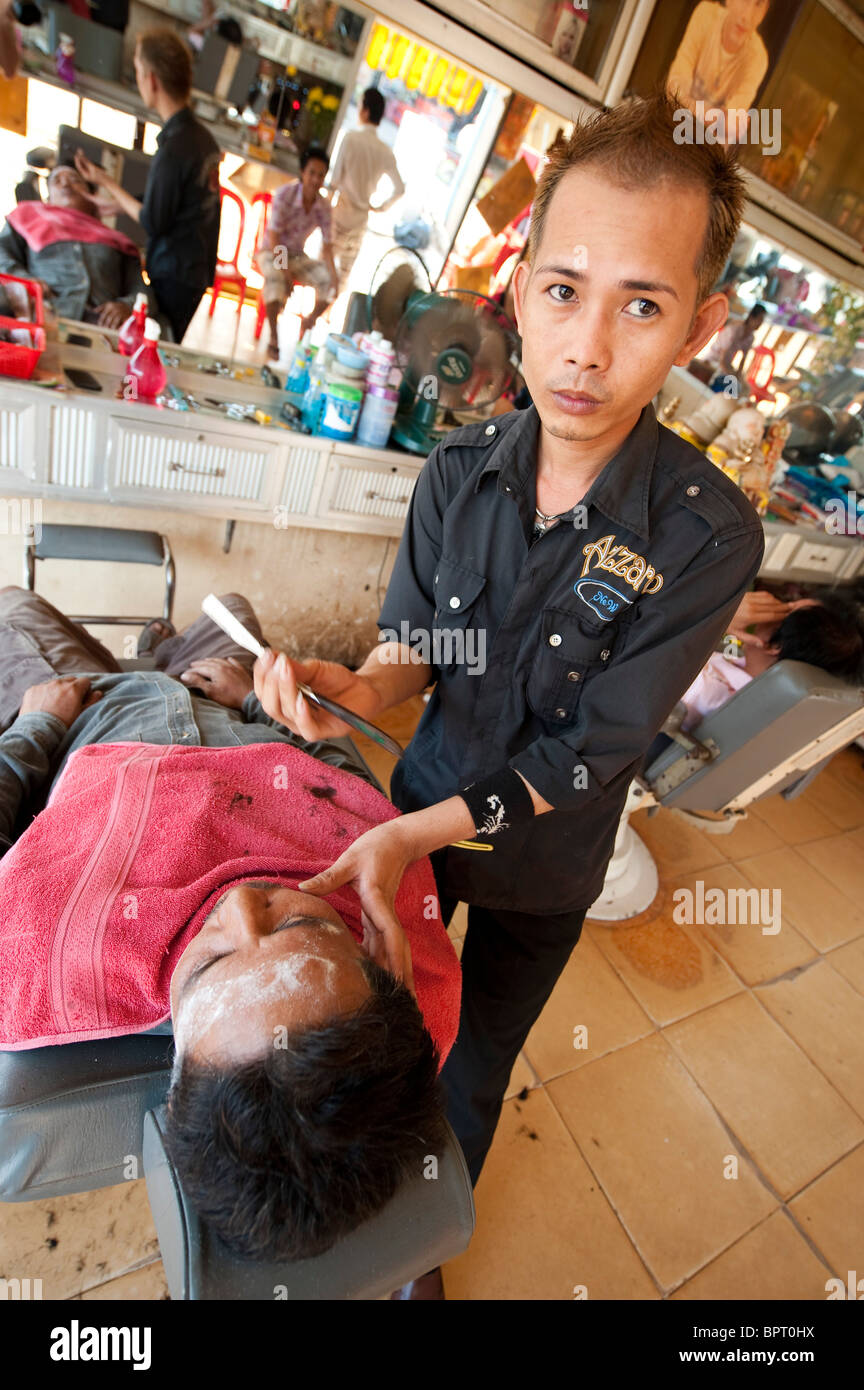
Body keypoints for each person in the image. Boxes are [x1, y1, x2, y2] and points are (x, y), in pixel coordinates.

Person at [248, 90, 767, 1298]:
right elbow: (415, 650)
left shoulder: (707, 537)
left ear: (699, 325)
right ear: (520, 286)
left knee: (476, 1065)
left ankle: (420, 1253)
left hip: (541, 866)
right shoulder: (454, 475)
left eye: (642, 303)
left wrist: (405, 828)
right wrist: (352, 689)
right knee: (389, 1035)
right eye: (565, 290)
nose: (588, 346)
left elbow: (596, 748)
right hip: (423, 815)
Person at [0, 586, 459, 1263]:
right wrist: (253, 702)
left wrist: (35, 726)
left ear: (174, 1059)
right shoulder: (388, 899)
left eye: (212, 964)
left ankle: (148, 652)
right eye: (301, 926)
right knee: (233, 604)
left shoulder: (30, 959)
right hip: (230, 707)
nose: (241, 905)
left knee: (15, 606)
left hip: (91, 713)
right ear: (378, 958)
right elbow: (342, 786)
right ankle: (164, 644)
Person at [73, 28, 221, 343]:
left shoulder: (175, 147)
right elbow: (177, 200)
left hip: (175, 271)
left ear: (151, 79)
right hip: (194, 269)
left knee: (156, 344)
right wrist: (117, 202)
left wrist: (106, 181)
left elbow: (155, 220)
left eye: (138, 71)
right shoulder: (200, 138)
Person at [676, 590, 864, 730]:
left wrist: (719, 616)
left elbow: (656, 664)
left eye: (785, 609)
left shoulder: (712, 693)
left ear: (775, 645)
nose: (774, 605)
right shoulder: (738, 665)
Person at [0, 164, 158, 330]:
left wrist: (127, 306)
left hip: (103, 332)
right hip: (42, 319)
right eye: (56, 181)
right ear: (48, 197)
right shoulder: (27, 218)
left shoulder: (119, 241)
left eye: (75, 180)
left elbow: (145, 294)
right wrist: (24, 281)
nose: (66, 185)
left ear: (92, 196)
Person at [257, 144, 338, 358]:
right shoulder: (285, 194)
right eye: (311, 173)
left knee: (328, 280)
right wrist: (285, 271)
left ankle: (309, 323)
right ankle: (274, 337)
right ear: (303, 172)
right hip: (271, 251)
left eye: (320, 175)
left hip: (297, 256)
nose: (315, 179)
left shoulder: (323, 206)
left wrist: (335, 277)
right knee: (275, 277)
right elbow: (274, 236)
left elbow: (328, 245)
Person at [328, 86, 405, 288]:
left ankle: (310, 315)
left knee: (323, 268)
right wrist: (379, 207)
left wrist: (324, 209)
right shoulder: (385, 151)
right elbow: (400, 189)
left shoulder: (351, 138)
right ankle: (320, 315)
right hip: (361, 220)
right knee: (342, 277)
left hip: (340, 215)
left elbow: (334, 181)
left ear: (366, 110)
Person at [667, 0, 771, 142]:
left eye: (758, 5)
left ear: (764, 13)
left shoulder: (758, 58)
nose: (747, 16)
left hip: (707, 147)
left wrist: (688, 105)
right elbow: (675, 85)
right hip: (669, 127)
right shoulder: (706, 15)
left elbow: (732, 124)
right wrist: (716, 117)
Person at [707, 301, 766, 376]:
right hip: (712, 361)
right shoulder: (734, 330)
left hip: (724, 365)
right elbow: (722, 358)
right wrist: (731, 374)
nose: (760, 323)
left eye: (762, 320)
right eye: (759, 319)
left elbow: (743, 360)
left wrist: (738, 375)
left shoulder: (750, 338)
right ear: (751, 317)